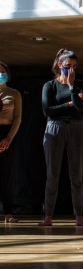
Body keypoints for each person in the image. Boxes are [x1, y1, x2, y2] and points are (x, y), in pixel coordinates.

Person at [40, 49, 83, 226]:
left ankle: (79, 216)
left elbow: (80, 107)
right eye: (68, 66)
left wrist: (71, 86)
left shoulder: (80, 84)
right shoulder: (49, 86)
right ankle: (48, 216)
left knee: (76, 174)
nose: (71, 70)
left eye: (75, 66)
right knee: (53, 173)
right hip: (55, 127)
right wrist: (69, 103)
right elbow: (47, 110)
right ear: (60, 65)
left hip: (76, 127)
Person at [0, 62, 22, 223]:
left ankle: (8, 212)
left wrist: (9, 138)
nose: (1, 74)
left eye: (3, 72)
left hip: (7, 133)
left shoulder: (14, 93)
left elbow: (18, 118)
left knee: (7, 175)